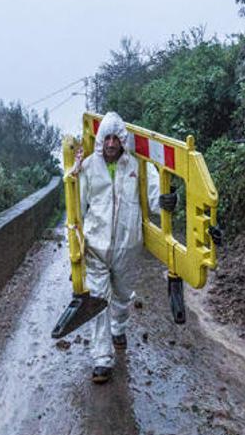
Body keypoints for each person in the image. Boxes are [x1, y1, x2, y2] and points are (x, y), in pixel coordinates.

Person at [75, 111, 177, 384]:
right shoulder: (87, 167)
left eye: (115, 138)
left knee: (121, 296)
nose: (110, 144)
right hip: (96, 246)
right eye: (106, 138)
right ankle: (101, 359)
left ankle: (118, 328)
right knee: (98, 300)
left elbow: (154, 197)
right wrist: (76, 244)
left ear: (122, 140)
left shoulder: (138, 167)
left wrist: (166, 202)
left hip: (128, 247)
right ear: (100, 140)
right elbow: (77, 207)